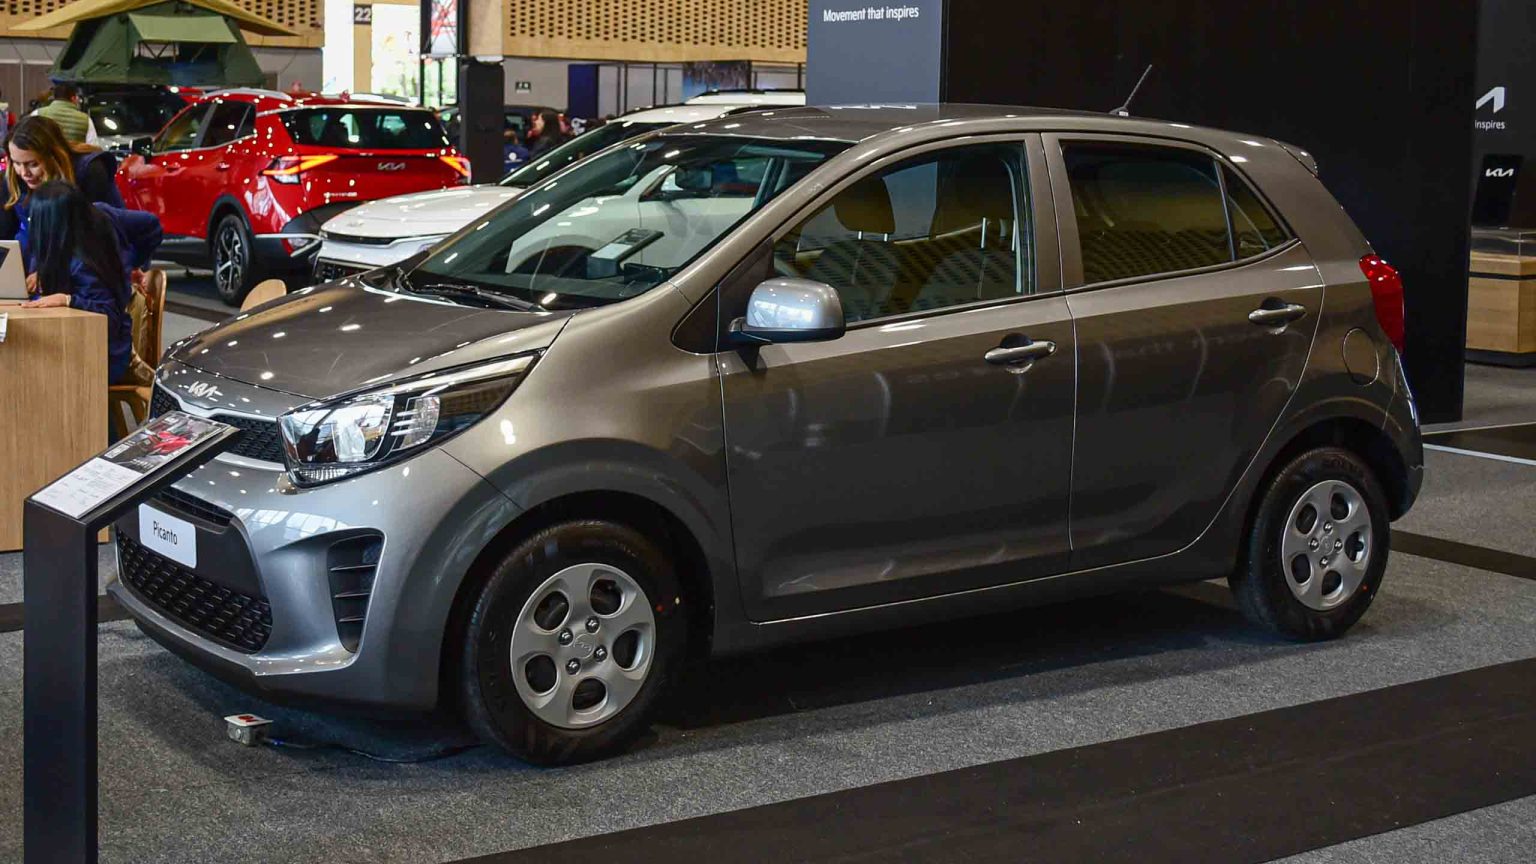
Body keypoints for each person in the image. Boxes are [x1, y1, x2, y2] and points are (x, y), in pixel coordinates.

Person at [18, 181, 161, 385]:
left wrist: (67, 300)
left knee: (23, 371)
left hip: (103, 357)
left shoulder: (84, 263)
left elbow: (108, 316)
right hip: (86, 348)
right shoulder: (78, 250)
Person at [0, 115, 122, 248]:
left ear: (54, 156)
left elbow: (106, 235)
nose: (24, 173)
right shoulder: (12, 179)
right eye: (17, 163)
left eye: (33, 164)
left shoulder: (90, 171)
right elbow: (5, 235)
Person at [35, 83, 99, 145]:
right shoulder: (85, 119)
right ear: (73, 98)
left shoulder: (37, 113)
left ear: (54, 97)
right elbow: (93, 147)